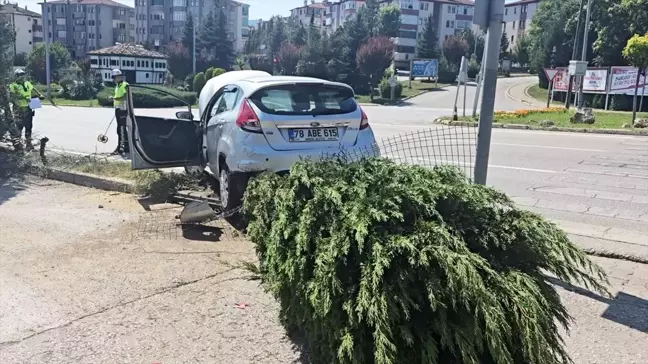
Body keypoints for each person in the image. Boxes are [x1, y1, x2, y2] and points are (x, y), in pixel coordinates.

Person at [8, 68, 41, 151]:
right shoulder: (13, 85)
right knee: (19, 127)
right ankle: (18, 145)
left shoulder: (27, 83)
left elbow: (33, 89)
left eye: (23, 74)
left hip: (29, 107)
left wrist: (39, 94)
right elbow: (12, 96)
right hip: (18, 109)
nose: (22, 76)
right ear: (16, 76)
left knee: (29, 126)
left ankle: (28, 144)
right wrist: (24, 97)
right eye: (20, 75)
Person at [109, 69, 129, 155]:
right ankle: (126, 147)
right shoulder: (117, 86)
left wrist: (113, 98)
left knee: (121, 130)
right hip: (118, 109)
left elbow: (125, 97)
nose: (113, 79)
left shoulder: (125, 85)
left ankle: (121, 149)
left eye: (114, 77)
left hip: (123, 110)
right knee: (120, 129)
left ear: (119, 77)